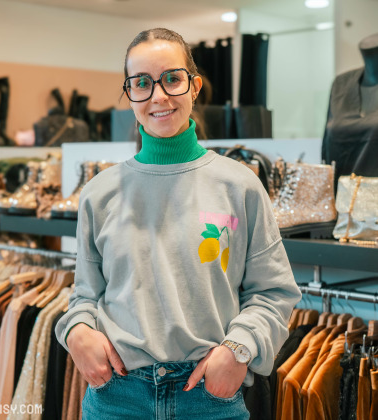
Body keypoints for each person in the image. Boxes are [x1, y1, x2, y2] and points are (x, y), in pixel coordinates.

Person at [55, 28, 301, 419]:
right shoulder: (100, 193)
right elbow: (84, 296)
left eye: (172, 78)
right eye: (142, 83)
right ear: (129, 94)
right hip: (118, 397)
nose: (158, 96)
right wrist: (76, 332)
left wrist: (238, 351)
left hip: (208, 396)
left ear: (195, 86)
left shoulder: (239, 186)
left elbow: (273, 293)